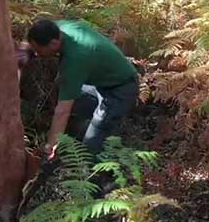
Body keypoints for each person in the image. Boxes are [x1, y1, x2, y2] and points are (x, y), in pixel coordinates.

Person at [22, 18, 140, 162]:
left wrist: (49, 148)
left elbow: (62, 111)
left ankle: (97, 175)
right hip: (99, 82)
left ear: (53, 44)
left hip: (120, 89)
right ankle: (79, 135)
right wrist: (23, 52)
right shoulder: (60, 27)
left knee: (92, 142)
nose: (37, 55)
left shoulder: (75, 60)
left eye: (39, 51)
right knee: (76, 102)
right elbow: (33, 38)